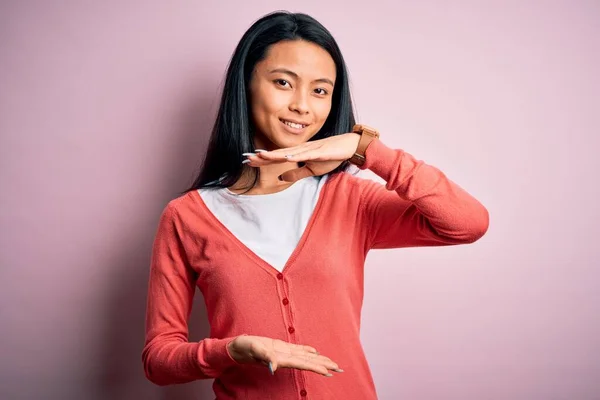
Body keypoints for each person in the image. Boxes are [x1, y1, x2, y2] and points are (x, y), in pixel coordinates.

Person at [141, 10, 489, 400]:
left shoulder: (350, 199)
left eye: (320, 91)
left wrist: (366, 149)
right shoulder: (186, 217)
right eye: (284, 83)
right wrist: (231, 350)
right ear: (246, 85)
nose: (303, 106)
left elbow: (467, 223)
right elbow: (159, 359)